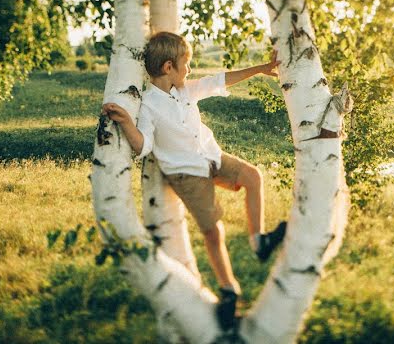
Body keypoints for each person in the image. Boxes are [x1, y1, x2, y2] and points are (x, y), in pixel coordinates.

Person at [101, 32, 287, 330]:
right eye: (186, 64)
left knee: (253, 176)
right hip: (186, 174)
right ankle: (229, 290)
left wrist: (261, 68)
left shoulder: (185, 90)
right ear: (168, 67)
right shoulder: (148, 104)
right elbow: (144, 145)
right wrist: (124, 122)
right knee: (213, 232)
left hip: (211, 157)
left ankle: (259, 242)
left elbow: (220, 80)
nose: (190, 69)